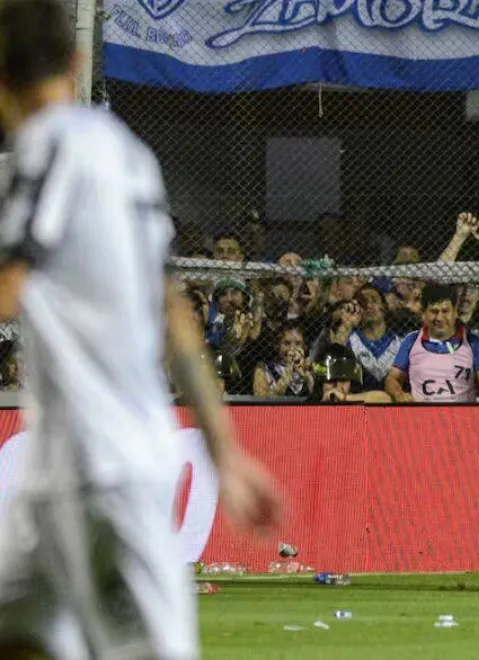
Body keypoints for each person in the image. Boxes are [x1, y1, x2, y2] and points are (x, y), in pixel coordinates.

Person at [0, 2, 281, 658]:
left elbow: (11, 282)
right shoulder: (129, 157)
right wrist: (224, 451)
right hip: (78, 467)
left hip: (98, 471)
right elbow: (173, 310)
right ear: (75, 62)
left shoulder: (45, 149)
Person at [385, 285, 479, 403]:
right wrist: (399, 394)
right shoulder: (412, 341)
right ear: (424, 314)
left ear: (455, 312)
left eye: (445, 311)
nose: (439, 318)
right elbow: (392, 378)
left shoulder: (473, 343)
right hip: (423, 412)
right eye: (434, 311)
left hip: (462, 412)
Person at [308, 343, 391, 403]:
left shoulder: (355, 397)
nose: (337, 387)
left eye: (343, 380)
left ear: (351, 382)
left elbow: (386, 399)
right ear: (320, 384)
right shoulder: (310, 404)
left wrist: (345, 398)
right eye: (331, 381)